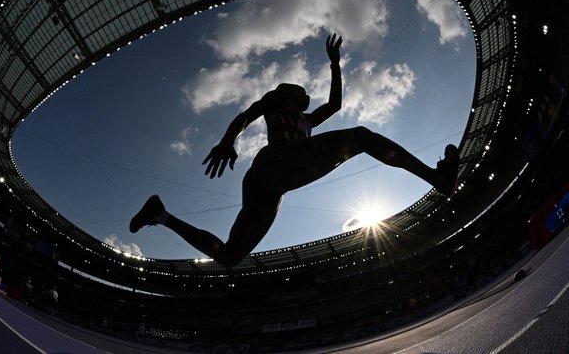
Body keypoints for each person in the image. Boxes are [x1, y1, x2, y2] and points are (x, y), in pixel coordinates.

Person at [130, 34, 459, 267]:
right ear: (289, 92)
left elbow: (335, 104)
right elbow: (247, 116)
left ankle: (160, 214)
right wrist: (229, 140)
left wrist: (335, 65)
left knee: (230, 256)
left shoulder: (307, 119)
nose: (303, 93)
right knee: (361, 137)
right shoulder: (277, 101)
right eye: (299, 90)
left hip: (269, 182)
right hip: (278, 162)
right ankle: (435, 177)